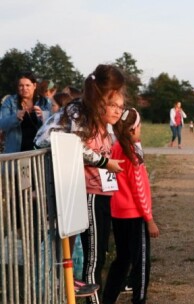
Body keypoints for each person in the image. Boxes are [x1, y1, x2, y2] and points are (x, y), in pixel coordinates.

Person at [35, 64, 126, 301]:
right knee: (63, 234)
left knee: (71, 232)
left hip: (74, 185)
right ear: (100, 95)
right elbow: (49, 140)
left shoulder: (91, 115)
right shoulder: (77, 112)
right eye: (112, 99)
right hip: (64, 182)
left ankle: (66, 277)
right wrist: (103, 162)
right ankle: (55, 279)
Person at [103, 108, 159, 304]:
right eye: (140, 127)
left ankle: (108, 298)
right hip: (135, 215)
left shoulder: (116, 147)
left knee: (123, 258)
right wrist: (149, 219)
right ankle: (139, 299)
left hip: (117, 213)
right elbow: (139, 189)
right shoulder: (132, 153)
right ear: (134, 129)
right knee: (141, 262)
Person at [0, 71, 51, 153]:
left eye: (28, 85)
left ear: (34, 86)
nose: (24, 88)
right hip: (16, 152)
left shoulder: (44, 102)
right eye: (21, 85)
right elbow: (2, 124)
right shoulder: (9, 101)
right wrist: (15, 117)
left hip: (39, 152)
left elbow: (52, 125)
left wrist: (43, 116)